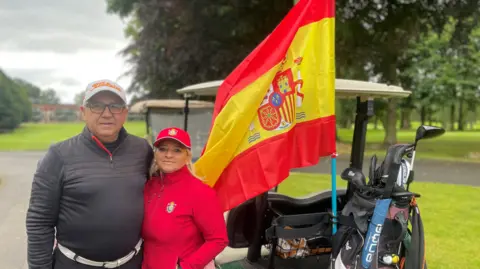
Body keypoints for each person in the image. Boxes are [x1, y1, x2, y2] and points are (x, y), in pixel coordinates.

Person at [26, 79, 153, 269]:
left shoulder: (142, 149)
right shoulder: (58, 155)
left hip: (132, 263)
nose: (107, 114)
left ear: (125, 113)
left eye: (115, 106)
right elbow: (39, 221)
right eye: (97, 106)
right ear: (83, 112)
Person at [142, 127, 228, 269]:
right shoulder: (149, 186)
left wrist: (187, 266)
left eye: (177, 150)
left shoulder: (200, 192)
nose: (168, 155)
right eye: (162, 149)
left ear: (187, 156)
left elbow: (218, 240)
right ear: (155, 154)